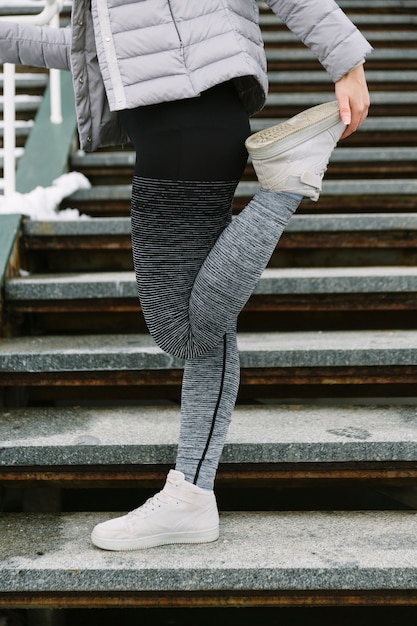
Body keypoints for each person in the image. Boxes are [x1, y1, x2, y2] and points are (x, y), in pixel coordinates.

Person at [0, 0, 371, 551]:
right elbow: (99, 51)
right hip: (188, 123)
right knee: (207, 325)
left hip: (184, 125)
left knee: (177, 324)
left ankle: (287, 182)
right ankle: (191, 494)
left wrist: (347, 63)